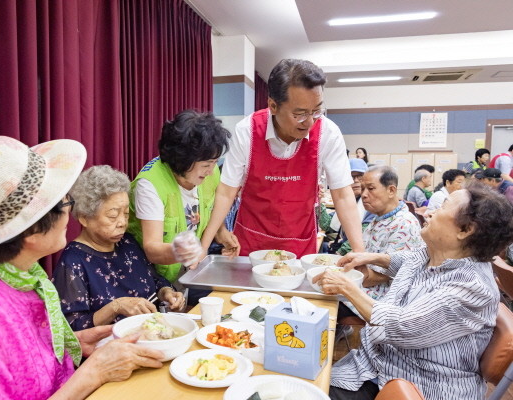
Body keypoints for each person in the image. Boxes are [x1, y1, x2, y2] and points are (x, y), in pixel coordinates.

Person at [0, 137, 165, 399]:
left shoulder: (26, 278)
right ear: (32, 229)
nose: (70, 213)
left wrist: (72, 345)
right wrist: (95, 372)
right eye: (65, 204)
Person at [315, 185, 513, 400]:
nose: (429, 212)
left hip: (419, 384)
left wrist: (346, 287)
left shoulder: (472, 287)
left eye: (442, 208)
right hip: (377, 362)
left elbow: (401, 326)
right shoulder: (434, 254)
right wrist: (373, 257)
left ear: (465, 230)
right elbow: (408, 260)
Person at [200, 59, 364, 259]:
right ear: (273, 106)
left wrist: (358, 251)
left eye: (316, 111)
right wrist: (204, 246)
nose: (310, 122)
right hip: (251, 240)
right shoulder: (248, 131)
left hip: (299, 241)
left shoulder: (328, 133)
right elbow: (226, 193)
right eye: (300, 114)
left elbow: (343, 195)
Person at [53, 165, 185, 331]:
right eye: (113, 216)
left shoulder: (127, 243)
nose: (122, 222)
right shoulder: (73, 262)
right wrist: (116, 307)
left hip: (152, 335)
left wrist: (166, 293)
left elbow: (154, 280)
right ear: (84, 218)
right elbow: (72, 328)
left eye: (126, 214)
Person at [128, 110, 238, 301]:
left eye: (215, 162)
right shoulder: (150, 184)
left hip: (189, 272)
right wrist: (184, 252)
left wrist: (220, 231)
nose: (211, 171)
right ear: (183, 159)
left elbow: (210, 206)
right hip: (152, 279)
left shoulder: (209, 173)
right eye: (206, 164)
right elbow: (152, 249)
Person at [342, 165, 423, 318]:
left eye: (371, 188)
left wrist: (349, 277)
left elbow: (388, 276)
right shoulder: (379, 218)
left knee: (324, 300)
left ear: (391, 190)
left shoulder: (404, 224)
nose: (364, 195)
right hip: (363, 285)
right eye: (363, 189)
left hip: (380, 300)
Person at [321, 158, 375, 255]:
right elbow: (326, 224)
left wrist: (337, 255)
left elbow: (361, 237)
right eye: (351, 176)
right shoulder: (349, 201)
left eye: (360, 176)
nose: (356, 180)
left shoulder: (370, 204)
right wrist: (319, 201)